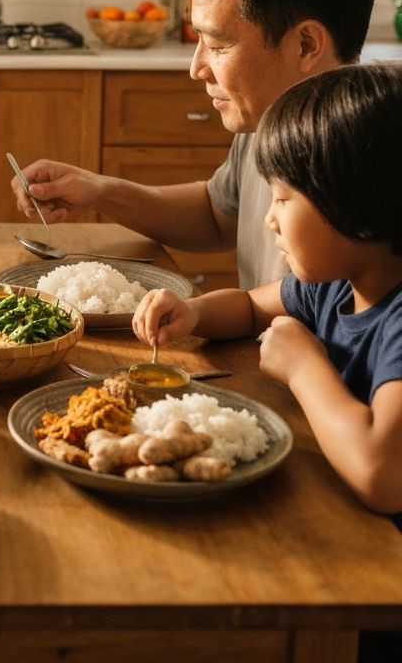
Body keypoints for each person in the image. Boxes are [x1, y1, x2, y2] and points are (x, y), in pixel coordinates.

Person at [131, 62, 402, 663]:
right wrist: (196, 312)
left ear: (356, 206)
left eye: (283, 198)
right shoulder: (340, 280)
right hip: (331, 522)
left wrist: (305, 367)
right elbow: (254, 306)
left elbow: (383, 475)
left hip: (378, 596)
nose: (268, 219)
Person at [11, 0, 379, 288]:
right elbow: (215, 215)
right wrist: (99, 191)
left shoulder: (370, 169)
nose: (197, 68)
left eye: (218, 45)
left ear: (306, 44)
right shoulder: (266, 116)